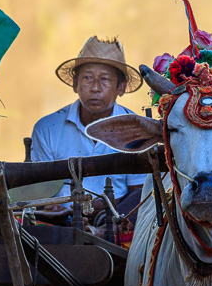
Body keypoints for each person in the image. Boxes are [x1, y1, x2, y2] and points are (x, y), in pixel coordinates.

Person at [30, 36, 147, 227]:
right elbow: (41, 194)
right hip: (62, 224)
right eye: (87, 78)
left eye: (104, 79)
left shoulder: (136, 129)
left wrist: (103, 207)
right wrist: (55, 208)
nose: (95, 88)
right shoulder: (47, 128)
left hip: (117, 222)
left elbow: (140, 191)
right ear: (75, 83)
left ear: (121, 86)